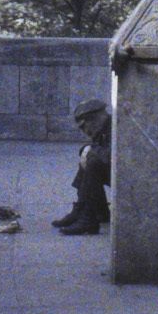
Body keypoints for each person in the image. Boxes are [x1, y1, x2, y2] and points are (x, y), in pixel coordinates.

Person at [53, 98, 112, 235]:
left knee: (93, 161)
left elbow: (111, 156)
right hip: (121, 170)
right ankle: (88, 209)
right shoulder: (104, 127)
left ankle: (88, 219)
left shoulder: (115, 127)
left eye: (84, 126)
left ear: (95, 119)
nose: (85, 131)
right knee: (89, 158)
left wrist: (89, 151)